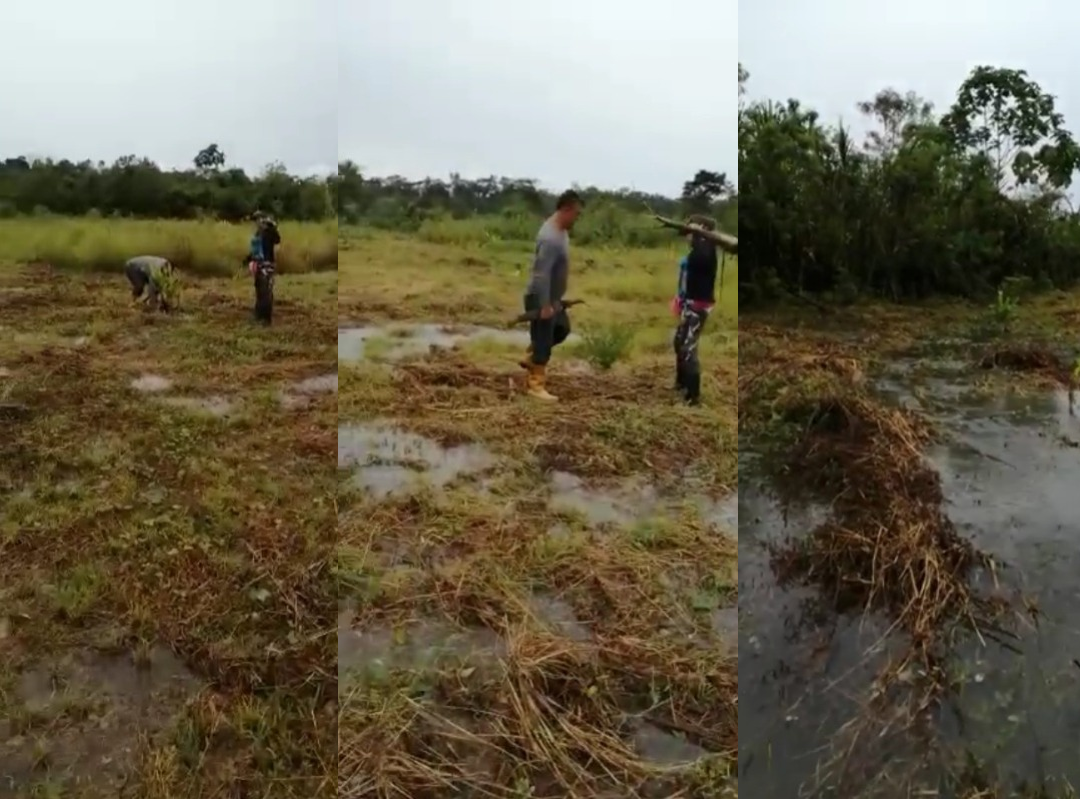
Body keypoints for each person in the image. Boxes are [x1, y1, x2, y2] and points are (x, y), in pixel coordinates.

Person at [520, 190, 584, 401]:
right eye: (576, 214)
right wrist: (545, 304)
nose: (577, 219)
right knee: (544, 340)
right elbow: (541, 273)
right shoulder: (550, 238)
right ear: (565, 209)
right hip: (541, 298)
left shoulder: (561, 231)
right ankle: (535, 386)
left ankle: (532, 354)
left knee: (562, 329)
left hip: (553, 298)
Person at [672, 215, 719, 406]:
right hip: (689, 303)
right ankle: (681, 383)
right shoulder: (700, 248)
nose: (688, 236)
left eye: (692, 231)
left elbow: (701, 260)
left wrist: (698, 237)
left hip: (698, 306)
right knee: (679, 341)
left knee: (688, 348)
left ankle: (693, 397)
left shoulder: (705, 249)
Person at [247, 213, 281, 325]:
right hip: (258, 264)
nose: (257, 223)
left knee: (266, 291)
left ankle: (266, 319)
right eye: (255, 220)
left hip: (267, 264)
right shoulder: (258, 233)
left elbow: (277, 240)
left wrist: (273, 227)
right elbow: (255, 249)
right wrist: (248, 259)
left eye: (258, 220)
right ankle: (259, 315)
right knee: (259, 290)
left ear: (263, 220)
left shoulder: (269, 232)